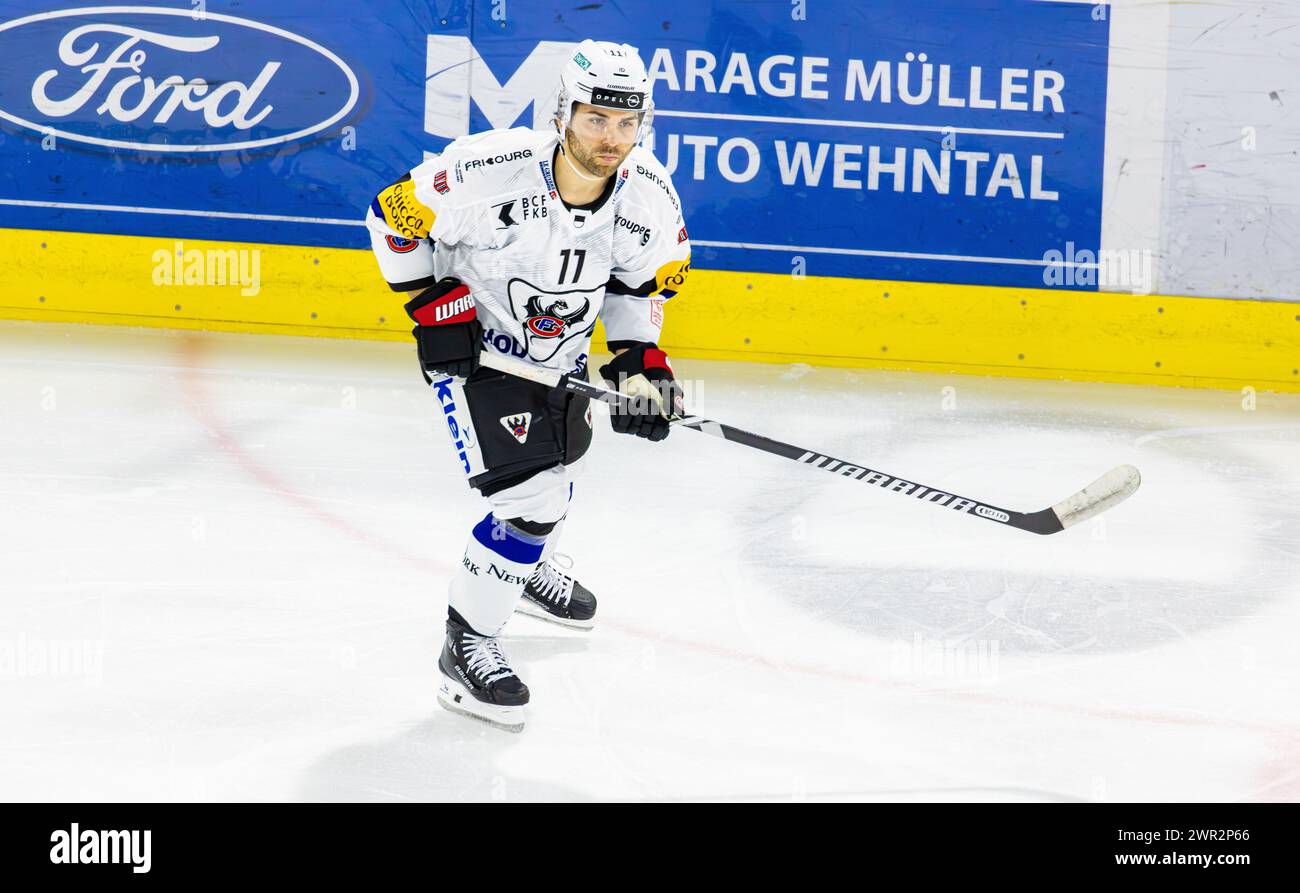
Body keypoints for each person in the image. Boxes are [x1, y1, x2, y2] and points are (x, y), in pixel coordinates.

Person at [364, 39, 691, 732]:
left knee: (566, 459)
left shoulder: (650, 197)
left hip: (561, 358)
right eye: (596, 118)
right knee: (531, 500)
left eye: (628, 123)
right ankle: (467, 642)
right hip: (483, 358)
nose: (612, 138)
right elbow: (390, 216)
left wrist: (640, 359)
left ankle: (519, 566)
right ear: (563, 113)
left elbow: (639, 284)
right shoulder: (489, 168)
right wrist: (428, 305)